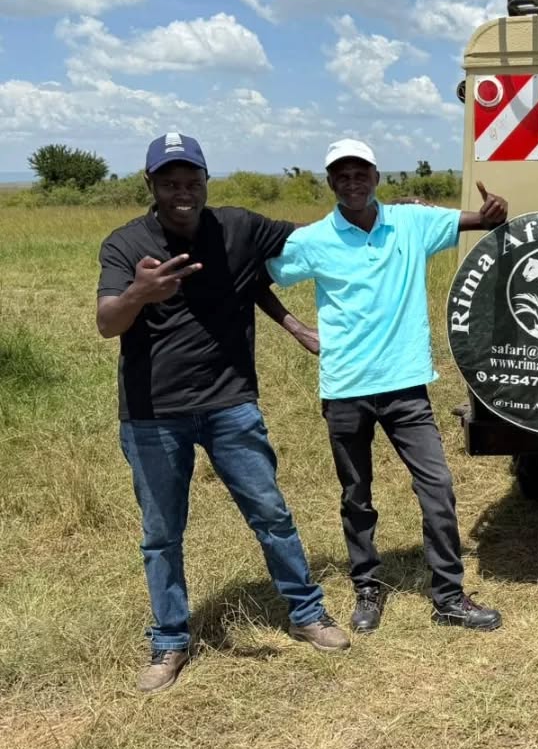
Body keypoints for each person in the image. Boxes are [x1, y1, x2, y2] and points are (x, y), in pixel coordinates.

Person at [97, 132, 350, 695]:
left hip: (231, 404)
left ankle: (307, 613)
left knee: (271, 513)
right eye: (169, 183)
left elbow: (312, 238)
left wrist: (397, 213)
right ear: (150, 184)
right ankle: (169, 640)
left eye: (191, 181)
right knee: (161, 534)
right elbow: (107, 322)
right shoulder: (125, 243)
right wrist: (139, 292)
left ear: (206, 181)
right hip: (153, 413)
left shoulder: (238, 227)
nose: (182, 192)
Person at [267, 139, 508, 633]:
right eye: (342, 176)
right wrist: (297, 328)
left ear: (376, 177)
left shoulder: (410, 223)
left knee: (437, 487)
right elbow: (256, 276)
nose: (352, 183)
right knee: (357, 494)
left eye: (361, 174)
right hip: (345, 388)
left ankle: (448, 596)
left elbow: (480, 222)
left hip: (406, 386)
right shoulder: (314, 240)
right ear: (331, 183)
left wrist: (493, 213)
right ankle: (367, 588)